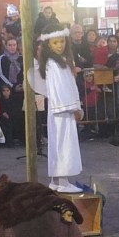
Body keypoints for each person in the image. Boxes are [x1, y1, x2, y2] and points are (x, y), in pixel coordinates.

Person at [31, 24, 84, 193]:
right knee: (63, 144)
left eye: (62, 42)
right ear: (48, 45)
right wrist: (73, 107)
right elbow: (59, 89)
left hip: (63, 109)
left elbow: (69, 85)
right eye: (55, 43)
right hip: (62, 109)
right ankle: (61, 181)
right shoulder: (53, 64)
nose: (60, 46)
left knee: (60, 143)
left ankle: (58, 180)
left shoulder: (60, 63)